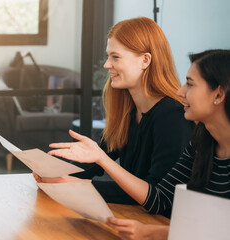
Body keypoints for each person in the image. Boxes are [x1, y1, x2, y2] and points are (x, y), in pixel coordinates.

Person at [50, 49, 230, 239]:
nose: (180, 91)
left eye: (190, 84)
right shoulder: (201, 144)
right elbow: (159, 198)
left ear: (218, 95)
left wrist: (99, 162)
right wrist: (154, 232)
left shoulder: (171, 117)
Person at [35, 17, 193, 208]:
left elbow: (153, 195)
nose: (106, 65)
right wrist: (55, 173)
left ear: (145, 60)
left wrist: (74, 185)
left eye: (115, 57)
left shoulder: (173, 117)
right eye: (108, 56)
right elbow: (93, 163)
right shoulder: (128, 110)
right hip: (133, 218)